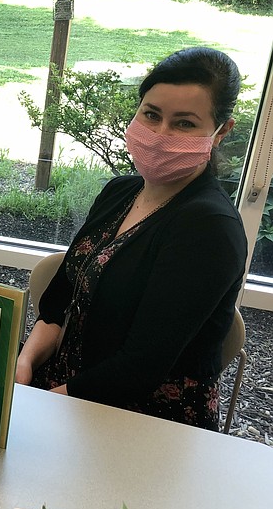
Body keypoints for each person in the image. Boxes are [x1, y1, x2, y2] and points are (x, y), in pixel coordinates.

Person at [15, 47, 248, 430]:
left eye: (184, 124)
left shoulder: (210, 227)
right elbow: (59, 301)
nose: (159, 135)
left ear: (221, 131)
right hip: (65, 394)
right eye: (151, 115)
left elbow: (142, 366)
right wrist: (24, 366)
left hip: (144, 420)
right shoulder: (119, 192)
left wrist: (37, 411)